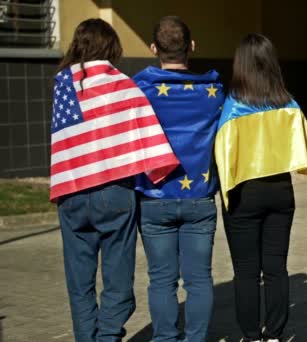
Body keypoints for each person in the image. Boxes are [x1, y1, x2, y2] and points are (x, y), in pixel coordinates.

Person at [51, 19, 179, 342]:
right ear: (112, 47)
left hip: (71, 193)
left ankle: (86, 338)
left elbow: (65, 140)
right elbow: (148, 137)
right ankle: (107, 336)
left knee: (79, 283)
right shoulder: (123, 85)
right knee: (118, 280)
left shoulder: (62, 84)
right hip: (114, 193)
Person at [214, 33, 307, 342]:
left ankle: (251, 336)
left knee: (247, 272)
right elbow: (303, 145)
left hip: (243, 195)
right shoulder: (288, 104)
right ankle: (275, 335)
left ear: (240, 65)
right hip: (280, 193)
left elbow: (223, 153)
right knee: (276, 268)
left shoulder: (233, 106)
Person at [132, 16, 224, 342]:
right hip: (199, 197)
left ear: (154, 48)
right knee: (199, 280)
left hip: (153, 197)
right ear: (192, 46)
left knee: (161, 281)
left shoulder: (138, 90)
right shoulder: (214, 93)